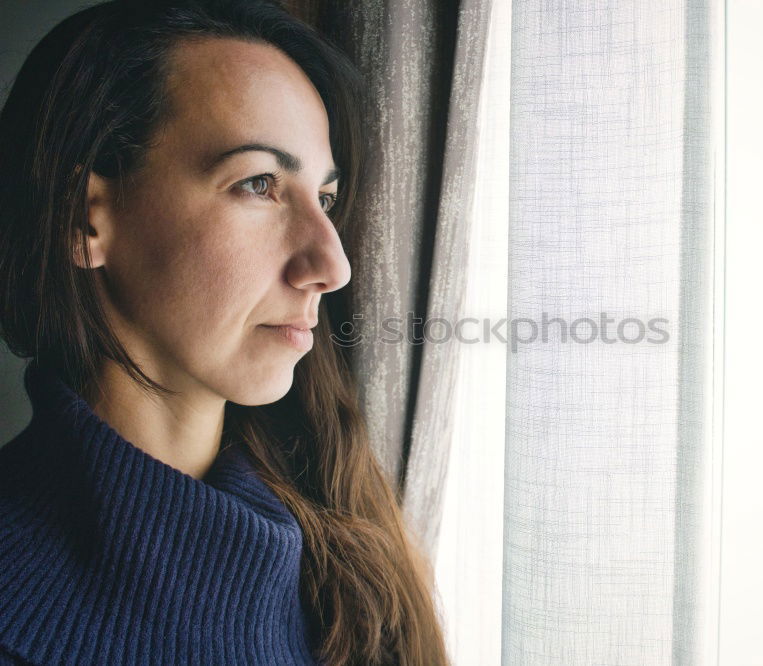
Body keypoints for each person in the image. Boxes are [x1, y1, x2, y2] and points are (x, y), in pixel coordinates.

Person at [0, 1, 448, 664]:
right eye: (258, 183)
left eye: (323, 199)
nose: (332, 265)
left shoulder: (352, 571)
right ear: (84, 218)